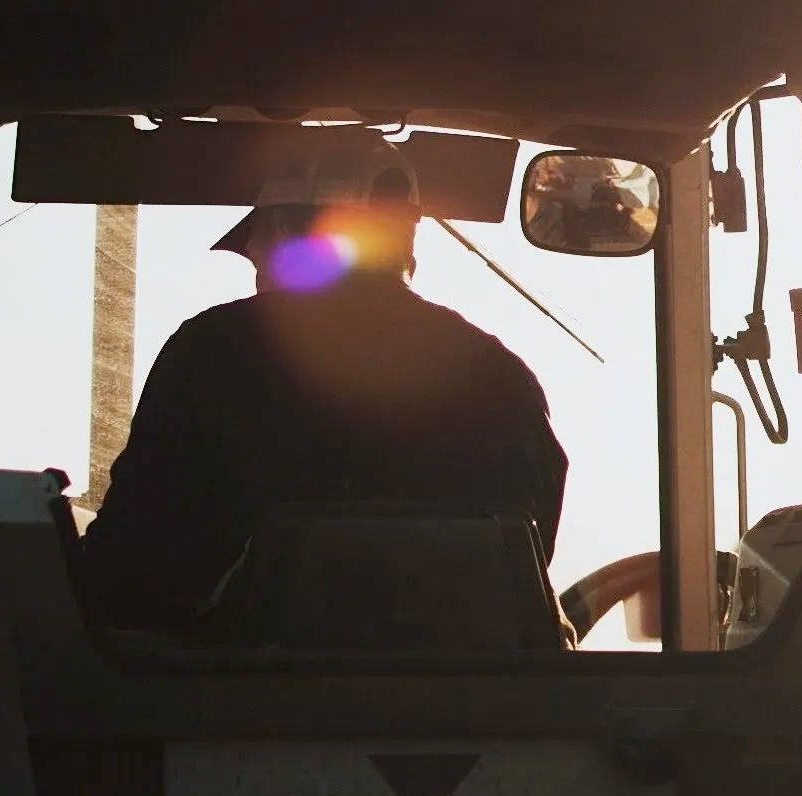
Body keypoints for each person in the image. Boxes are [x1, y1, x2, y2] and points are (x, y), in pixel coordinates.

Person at [81, 130, 569, 633]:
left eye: (258, 247)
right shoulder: (502, 376)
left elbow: (128, 564)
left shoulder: (212, 352)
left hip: (237, 699)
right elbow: (527, 563)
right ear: (407, 241)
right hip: (478, 701)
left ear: (286, 232)